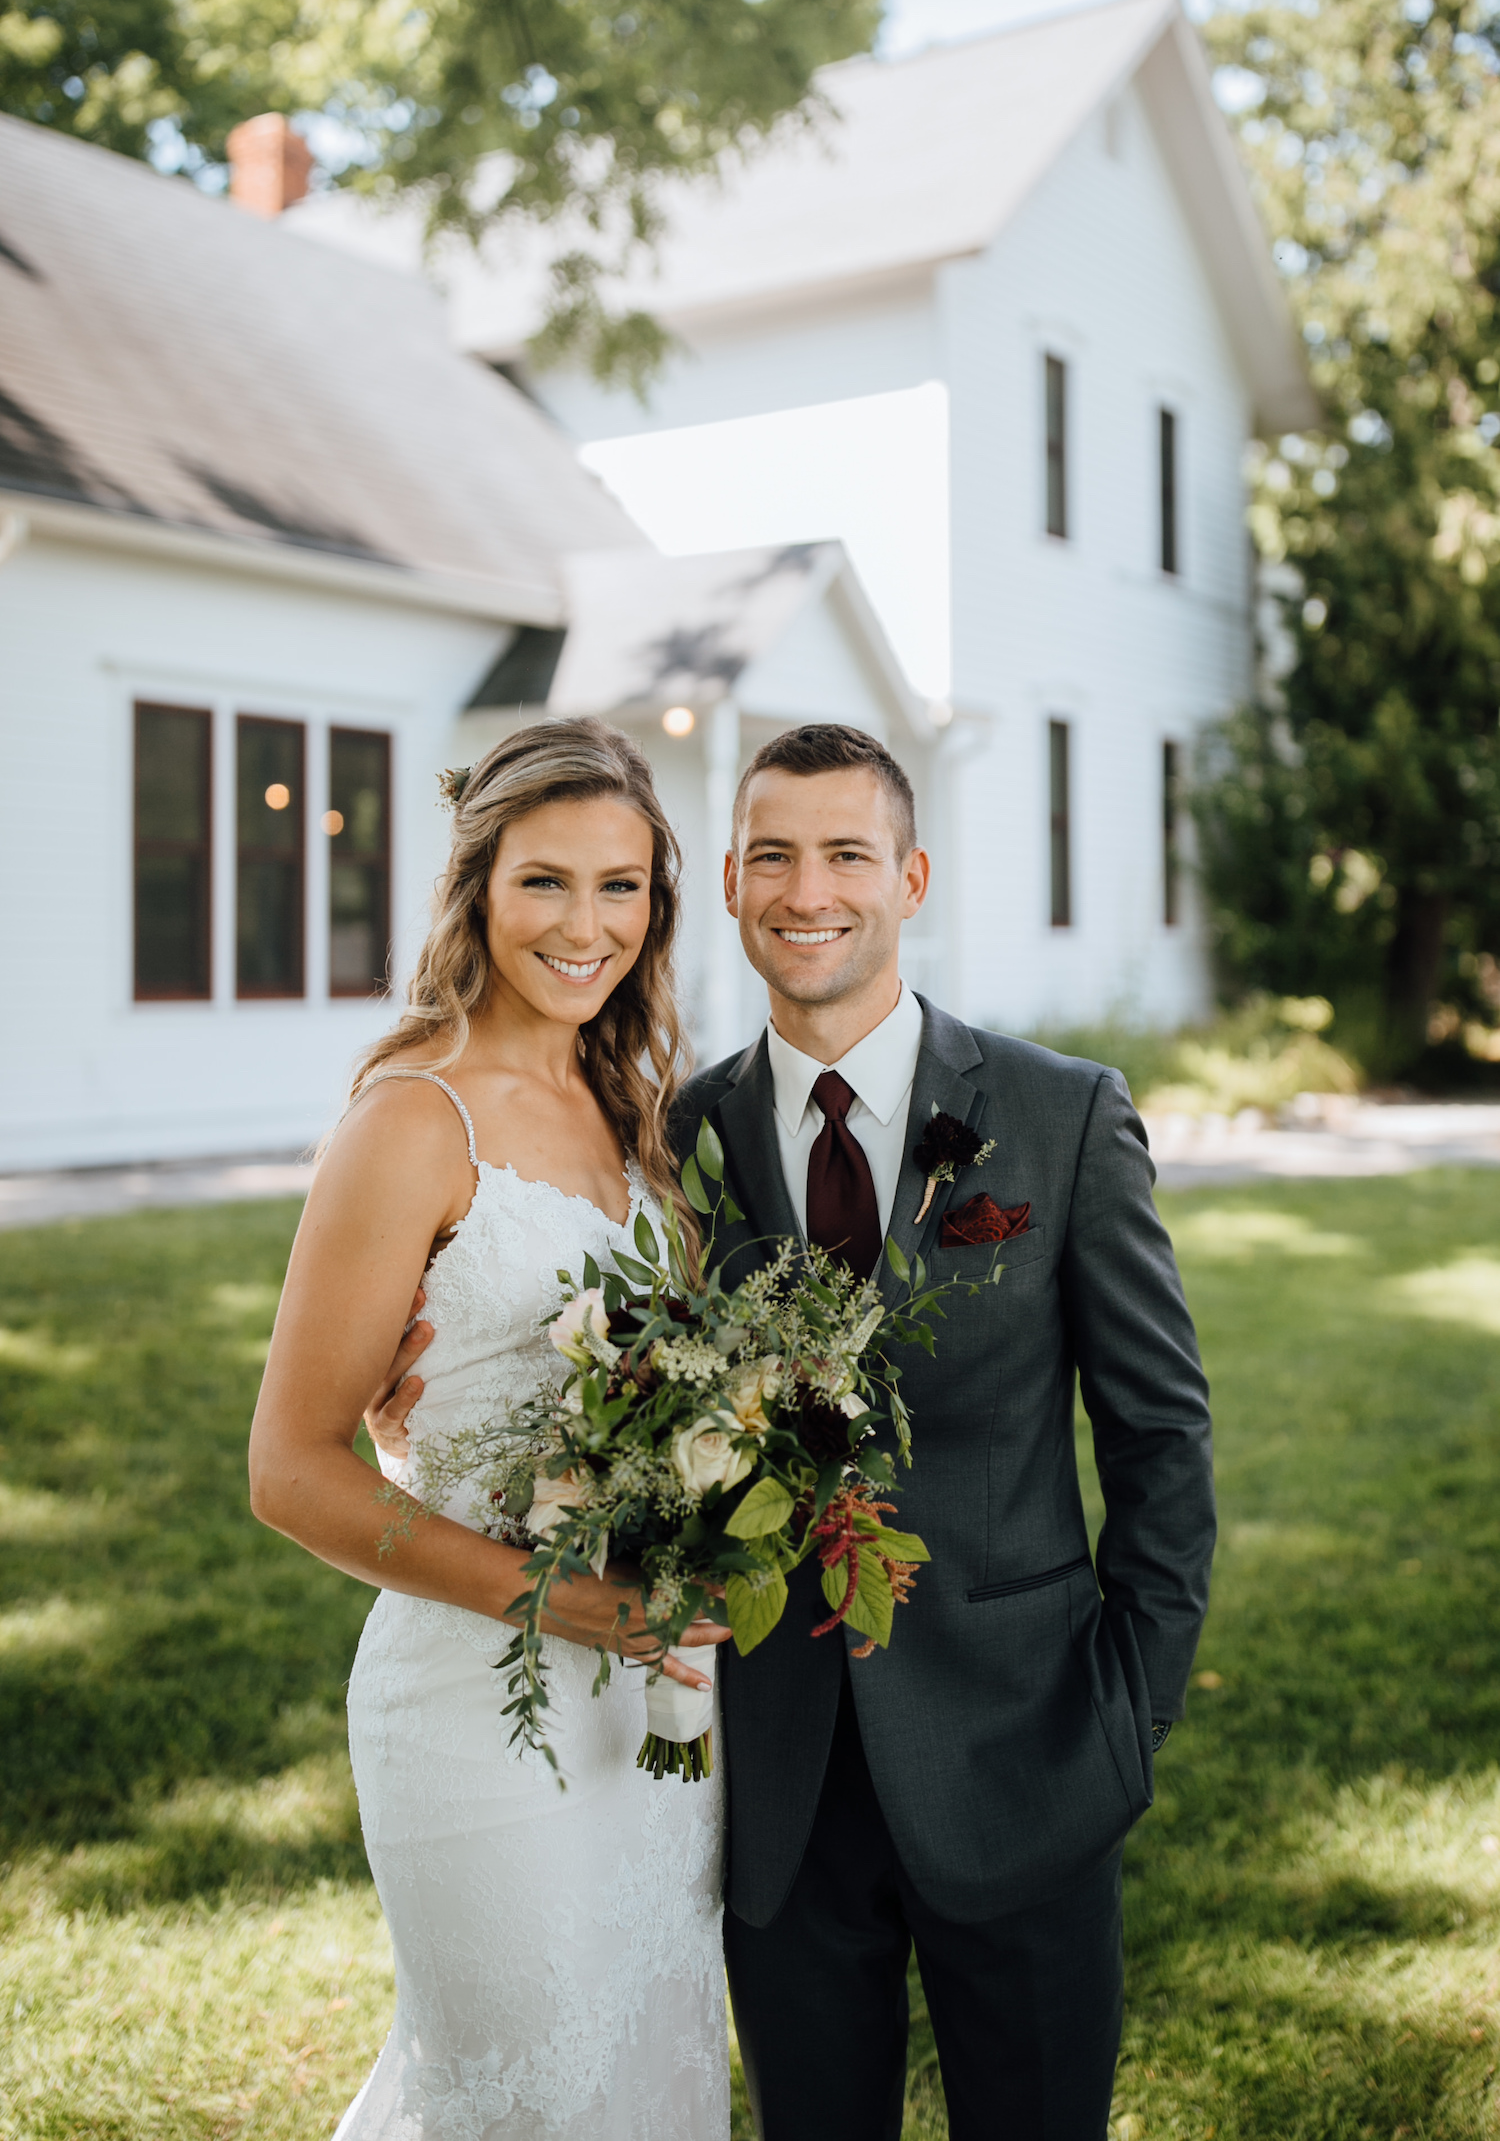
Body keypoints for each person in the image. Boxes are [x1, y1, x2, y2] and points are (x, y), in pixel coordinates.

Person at [370, 720, 1216, 2141]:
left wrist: (1130, 1715)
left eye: (845, 852)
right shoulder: (667, 1144)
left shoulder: (1062, 1117)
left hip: (1030, 1759)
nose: (806, 889)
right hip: (771, 1789)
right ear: (733, 883)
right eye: (771, 853)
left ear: (912, 875)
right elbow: (599, 1393)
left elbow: (1161, 1440)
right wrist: (423, 1418)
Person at [249, 718, 733, 2141]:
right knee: (534, 2096)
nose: (587, 927)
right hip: (483, 1704)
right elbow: (287, 1469)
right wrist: (575, 1601)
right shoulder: (414, 1117)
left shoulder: (628, 1104)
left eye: (622, 887)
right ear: (478, 885)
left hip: (654, 1717)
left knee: (649, 2072)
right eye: (547, 883)